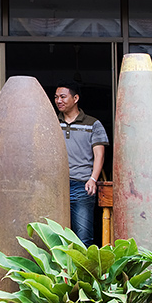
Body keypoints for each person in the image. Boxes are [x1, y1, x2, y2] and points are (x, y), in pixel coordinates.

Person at [54, 82, 109, 247]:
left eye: (63, 97)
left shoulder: (93, 124)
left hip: (82, 185)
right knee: (55, 237)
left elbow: (100, 154)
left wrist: (93, 179)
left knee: (83, 237)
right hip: (56, 186)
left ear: (75, 98)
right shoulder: (51, 122)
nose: (58, 101)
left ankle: (82, 272)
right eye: (56, 97)